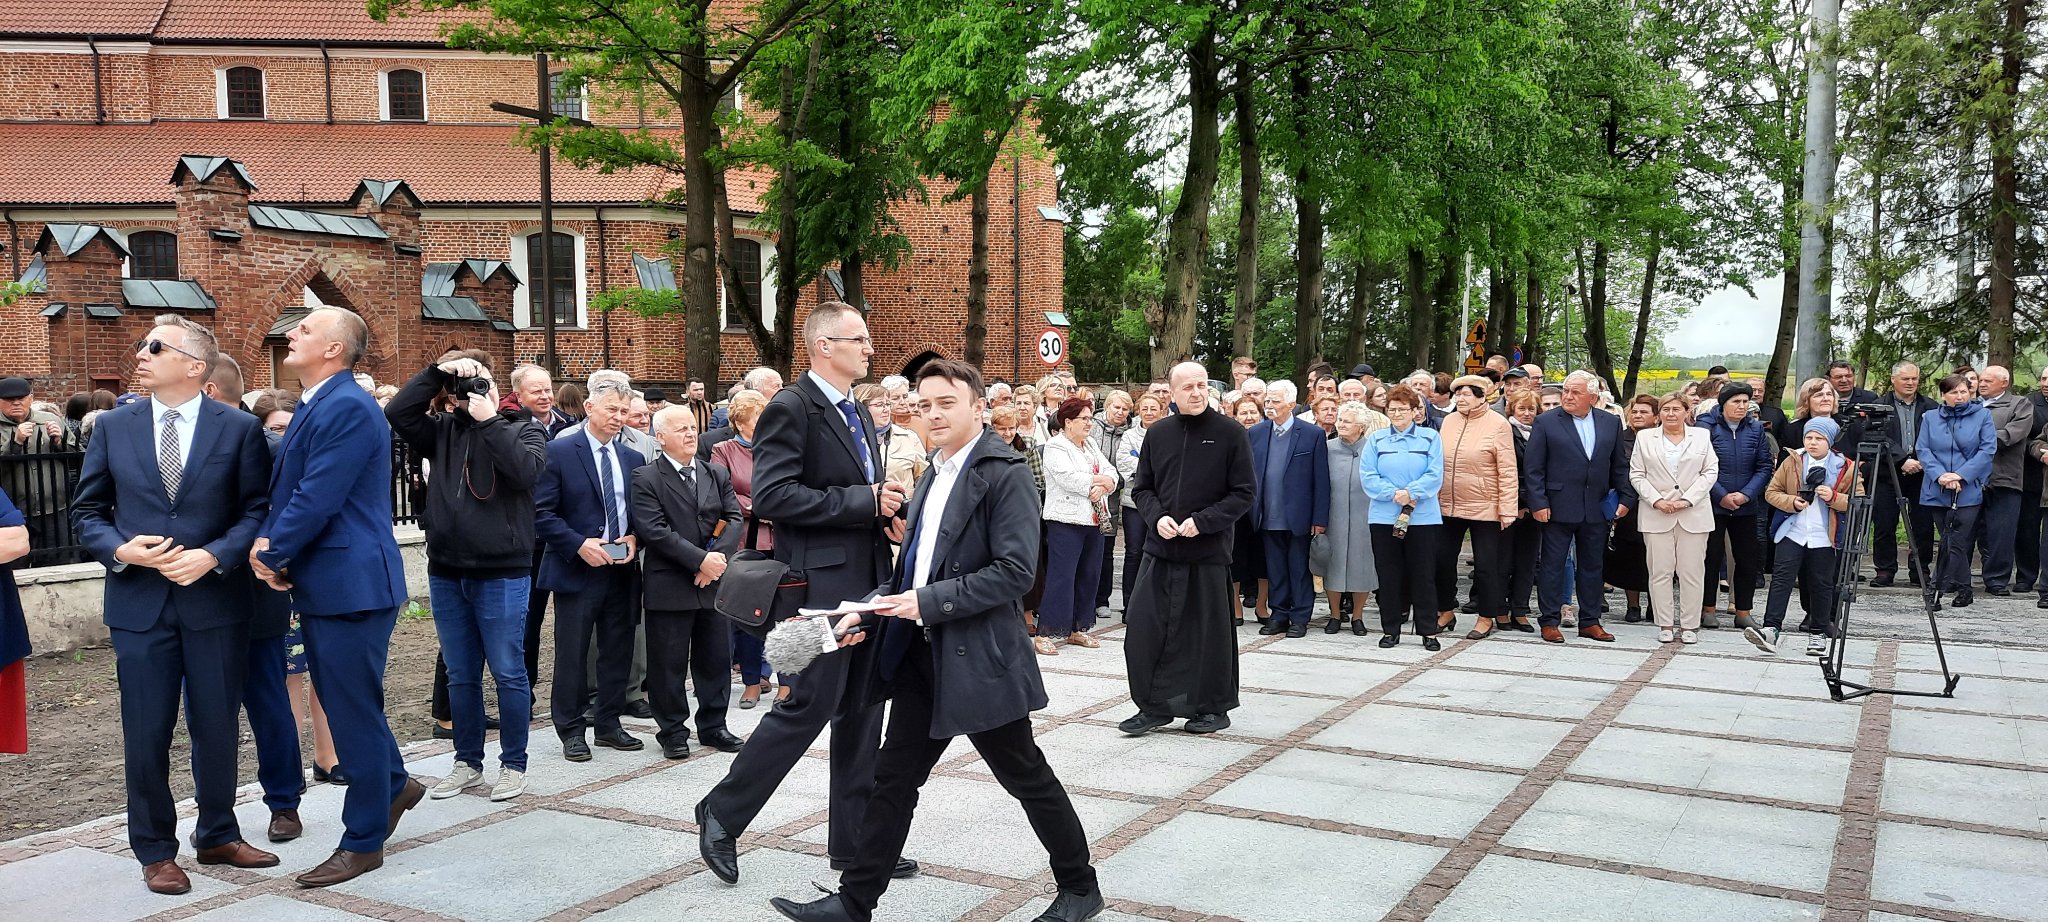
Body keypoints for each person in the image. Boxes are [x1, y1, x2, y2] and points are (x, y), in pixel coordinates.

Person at [767, 360, 1103, 922]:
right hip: (921, 655)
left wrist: (927, 601)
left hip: (979, 659)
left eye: (947, 402)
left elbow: (1015, 572)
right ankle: (855, 902)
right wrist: (866, 609)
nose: (934, 414)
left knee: (1025, 774)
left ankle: (1080, 887)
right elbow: (913, 572)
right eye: (924, 405)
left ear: (978, 406)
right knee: (893, 779)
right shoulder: (934, 471)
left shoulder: (1005, 472)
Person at [697, 302, 913, 884]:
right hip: (818, 587)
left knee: (863, 710)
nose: (869, 348)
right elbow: (773, 496)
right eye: (858, 339)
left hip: (868, 577)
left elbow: (854, 489)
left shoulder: (856, 409)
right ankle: (722, 812)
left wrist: (885, 513)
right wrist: (863, 501)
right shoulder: (792, 407)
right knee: (807, 705)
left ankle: (854, 845)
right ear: (823, 346)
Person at [70, 316, 278, 894]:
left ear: (194, 365)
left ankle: (218, 833)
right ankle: (155, 850)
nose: (141, 353)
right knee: (146, 729)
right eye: (142, 345)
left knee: (217, 724)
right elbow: (86, 512)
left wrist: (215, 555)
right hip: (139, 605)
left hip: (216, 601)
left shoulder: (239, 428)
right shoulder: (113, 426)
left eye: (155, 346)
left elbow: (258, 510)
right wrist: (121, 550)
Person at [249, 307, 416, 888]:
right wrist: (275, 547)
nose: (290, 333)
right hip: (331, 581)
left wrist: (272, 552)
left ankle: (364, 840)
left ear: (334, 349)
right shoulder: (320, 401)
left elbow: (319, 494)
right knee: (352, 703)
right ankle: (395, 784)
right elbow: (293, 489)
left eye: (305, 329)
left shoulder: (345, 404)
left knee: (350, 712)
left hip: (352, 584)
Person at [386, 352, 546, 802]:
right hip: (447, 570)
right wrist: (436, 373)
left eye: (483, 382)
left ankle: (513, 764)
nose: (473, 389)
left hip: (501, 571)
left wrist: (489, 420)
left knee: (508, 671)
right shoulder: (441, 431)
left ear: (498, 389)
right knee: (460, 674)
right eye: (467, 385)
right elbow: (397, 412)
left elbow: (525, 472)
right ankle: (467, 761)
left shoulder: (524, 428)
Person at [1120, 361, 1255, 736]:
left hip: (1207, 553)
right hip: (1160, 550)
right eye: (1188, 387)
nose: (1196, 393)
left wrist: (1204, 521)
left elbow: (1243, 492)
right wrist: (1156, 517)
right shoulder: (1158, 433)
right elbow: (1142, 489)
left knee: (1207, 637)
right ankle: (1153, 706)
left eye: (1201, 385)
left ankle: (1212, 707)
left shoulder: (1230, 433)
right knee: (1144, 631)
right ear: (1172, 393)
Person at [534, 378, 646, 761]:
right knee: (573, 652)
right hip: (577, 568)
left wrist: (635, 538)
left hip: (621, 568)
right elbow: (541, 513)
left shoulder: (632, 458)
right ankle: (570, 729)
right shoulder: (560, 451)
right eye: (612, 409)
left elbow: (640, 512)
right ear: (589, 406)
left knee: (618, 649)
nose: (619, 417)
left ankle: (609, 724)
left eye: (623, 411)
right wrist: (579, 544)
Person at [633, 406, 748, 760]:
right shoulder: (646, 477)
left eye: (692, 427)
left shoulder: (715, 472)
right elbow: (654, 530)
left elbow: (733, 518)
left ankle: (713, 725)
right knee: (667, 663)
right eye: (680, 428)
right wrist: (699, 560)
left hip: (713, 583)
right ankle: (672, 731)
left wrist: (714, 561)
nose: (689, 433)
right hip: (670, 583)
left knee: (715, 658)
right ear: (660, 437)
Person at [1525, 371, 1634, 644]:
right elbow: (1534, 468)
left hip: (1596, 507)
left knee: (1593, 566)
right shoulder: (1546, 422)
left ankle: (1590, 621)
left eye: (1576, 392)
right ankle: (1550, 621)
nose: (1568, 396)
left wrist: (1626, 499)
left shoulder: (1610, 422)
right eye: (1566, 391)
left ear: (1593, 398)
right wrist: (1538, 502)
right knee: (1553, 566)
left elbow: (1619, 465)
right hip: (1557, 506)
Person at [1747, 418, 1861, 655]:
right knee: (1781, 580)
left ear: (1830, 441)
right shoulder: (1792, 460)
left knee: (1822, 583)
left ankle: (1818, 632)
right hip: (1792, 531)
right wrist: (1792, 502)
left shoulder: (1846, 466)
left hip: (1825, 535)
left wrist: (1833, 497)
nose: (1812, 443)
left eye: (1819, 438)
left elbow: (1857, 501)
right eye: (1809, 437)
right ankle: (1771, 629)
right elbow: (1772, 492)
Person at [710, 390, 782, 707]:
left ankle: (783, 682)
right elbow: (721, 490)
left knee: (783, 612)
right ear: (740, 422)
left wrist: (778, 507)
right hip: (745, 542)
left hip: (781, 539)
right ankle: (752, 680)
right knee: (748, 613)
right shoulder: (723, 450)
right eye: (758, 418)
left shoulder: (778, 448)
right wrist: (759, 507)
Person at [1358, 387, 1445, 648]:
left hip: (1422, 517)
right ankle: (1390, 630)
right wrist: (1394, 494)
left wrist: (1411, 493)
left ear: (1415, 411)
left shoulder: (1430, 438)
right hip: (1384, 516)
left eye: (1402, 409)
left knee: (1423, 574)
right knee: (1389, 575)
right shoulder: (1376, 440)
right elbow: (1368, 475)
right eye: (1392, 409)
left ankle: (1428, 631)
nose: (1397, 414)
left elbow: (1435, 473)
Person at [1434, 375, 1516, 640]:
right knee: (1442, 561)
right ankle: (1446, 610)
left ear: (1482, 397)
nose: (1460, 399)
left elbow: (1507, 469)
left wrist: (1507, 508)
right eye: (1458, 394)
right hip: (1448, 504)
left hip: (1485, 505)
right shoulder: (1449, 421)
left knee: (1486, 566)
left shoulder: (1498, 424)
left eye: (1466, 394)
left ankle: (1486, 617)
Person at [1632, 395, 1718, 644]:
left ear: (1686, 411)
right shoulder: (1645, 438)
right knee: (1660, 571)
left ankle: (1690, 625)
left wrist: (1687, 500)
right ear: (1659, 414)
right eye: (1666, 409)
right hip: (1656, 513)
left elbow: (1710, 471)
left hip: (1693, 513)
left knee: (1692, 572)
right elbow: (1637, 474)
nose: (1671, 414)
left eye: (1676, 409)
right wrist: (1656, 500)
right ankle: (1665, 624)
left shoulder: (1701, 436)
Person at [1035, 397, 1118, 654]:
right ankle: (1046, 631)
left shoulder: (1090, 444)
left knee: (1089, 574)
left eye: (1090, 419)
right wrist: (1100, 482)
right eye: (1084, 419)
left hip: (1094, 518)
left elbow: (1112, 472)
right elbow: (1068, 478)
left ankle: (1078, 628)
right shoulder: (1056, 446)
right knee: (1062, 576)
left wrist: (1106, 485)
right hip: (1066, 520)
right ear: (1068, 422)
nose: (1089, 423)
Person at [1248, 380, 1329, 639]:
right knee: (1275, 570)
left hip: (1299, 516)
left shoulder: (1312, 434)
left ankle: (1300, 617)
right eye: (1267, 401)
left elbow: (1321, 479)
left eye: (1276, 401)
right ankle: (1279, 615)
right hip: (1267, 513)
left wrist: (1320, 517)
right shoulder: (1257, 432)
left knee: (1299, 569)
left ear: (1291, 404)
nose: (1269, 405)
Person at [1695, 382, 1774, 629]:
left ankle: (1743, 611)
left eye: (1745, 402)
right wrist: (1721, 495)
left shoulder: (1755, 428)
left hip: (1745, 505)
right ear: (1723, 404)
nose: (1742, 406)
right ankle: (1708, 609)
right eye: (1736, 402)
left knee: (1747, 559)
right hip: (1713, 503)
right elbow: (1699, 465)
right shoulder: (1705, 427)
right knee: (1710, 557)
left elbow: (1764, 466)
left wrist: (1746, 495)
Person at [1917, 374, 1997, 607]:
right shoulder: (1930, 417)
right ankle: (1964, 588)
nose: (1959, 396)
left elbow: (1987, 450)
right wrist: (1941, 475)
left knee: (1955, 539)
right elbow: (1923, 450)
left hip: (1967, 488)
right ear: (1943, 395)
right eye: (1954, 392)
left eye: (1964, 391)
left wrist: (1960, 475)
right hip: (1937, 487)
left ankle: (1935, 590)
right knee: (1949, 539)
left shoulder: (1983, 416)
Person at [1871, 363, 1939, 588]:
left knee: (1923, 524)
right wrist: (1901, 459)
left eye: (1914, 379)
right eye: (1905, 379)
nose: (1910, 383)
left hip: (1922, 473)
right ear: (1893, 380)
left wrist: (1919, 460)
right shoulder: (1879, 406)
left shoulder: (1931, 407)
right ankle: (1885, 569)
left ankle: (1919, 569)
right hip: (1887, 472)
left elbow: (1937, 437)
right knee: (1884, 523)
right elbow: (1876, 435)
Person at [0, 375, 81, 555]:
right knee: (16, 563)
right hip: (12, 514)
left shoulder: (49, 419)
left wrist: (59, 442)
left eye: (21, 398)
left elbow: (78, 458)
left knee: (59, 558)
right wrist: (15, 443)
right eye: (9, 399)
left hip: (55, 508)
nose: (16, 403)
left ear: (31, 398)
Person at [1320, 402, 1380, 635]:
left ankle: (1357, 616)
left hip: (1365, 515)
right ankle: (1335, 615)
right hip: (1332, 515)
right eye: (1340, 420)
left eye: (1347, 421)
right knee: (1333, 565)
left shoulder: (1373, 449)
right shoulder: (1326, 448)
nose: (1341, 424)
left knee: (1362, 565)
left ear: (1361, 427)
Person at [1972, 366, 2034, 594]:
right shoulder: (1971, 404)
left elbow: (2011, 435)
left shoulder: (2020, 404)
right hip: (1970, 478)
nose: (1982, 384)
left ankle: (1997, 580)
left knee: (2001, 533)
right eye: (1981, 380)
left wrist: (1974, 437)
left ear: (2004, 383)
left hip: (2005, 478)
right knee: (1964, 531)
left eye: (1988, 381)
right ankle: (1955, 578)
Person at [1605, 395, 1658, 622]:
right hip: (1627, 506)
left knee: (1656, 557)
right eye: (1634, 411)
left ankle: (1656, 604)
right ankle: (1633, 605)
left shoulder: (1662, 439)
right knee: (1631, 556)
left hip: (1657, 505)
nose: (1637, 415)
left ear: (1656, 417)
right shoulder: (1620, 438)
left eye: (1644, 412)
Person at [1116, 393, 1164, 617]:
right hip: (1133, 504)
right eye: (1145, 408)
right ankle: (1130, 606)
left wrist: (1144, 465)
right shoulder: (1129, 436)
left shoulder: (1168, 434)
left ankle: (1154, 605)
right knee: (1134, 552)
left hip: (1162, 504)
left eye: (1153, 408)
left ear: (1161, 411)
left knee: (1158, 553)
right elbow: (1124, 461)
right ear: (1138, 411)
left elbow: (1171, 465)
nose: (1149, 413)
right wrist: (1152, 467)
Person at [1092, 390, 1135, 620]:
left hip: (1113, 496)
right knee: (1090, 547)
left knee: (1107, 549)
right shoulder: (1093, 426)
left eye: (1125, 409)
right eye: (1116, 407)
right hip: (1090, 493)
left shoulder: (1130, 432)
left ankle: (1102, 599)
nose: (1120, 412)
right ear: (1107, 406)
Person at [1501, 391, 1541, 632]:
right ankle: (1499, 610)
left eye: (1531, 409)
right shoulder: (1505, 432)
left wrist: (1531, 505)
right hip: (1508, 505)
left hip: (1534, 508)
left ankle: (1520, 610)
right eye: (1522, 409)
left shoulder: (1541, 433)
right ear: (1512, 410)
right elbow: (1506, 472)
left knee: (1527, 562)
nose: (1527, 414)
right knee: (1503, 561)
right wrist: (1517, 505)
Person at [1227, 395, 1269, 625]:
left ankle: (1262, 605)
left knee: (1263, 558)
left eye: (1253, 412)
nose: (1249, 417)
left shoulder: (1268, 437)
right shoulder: (1229, 438)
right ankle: (1236, 606)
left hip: (1264, 505)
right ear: (1235, 416)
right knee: (1236, 557)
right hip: (1236, 506)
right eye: (1243, 412)